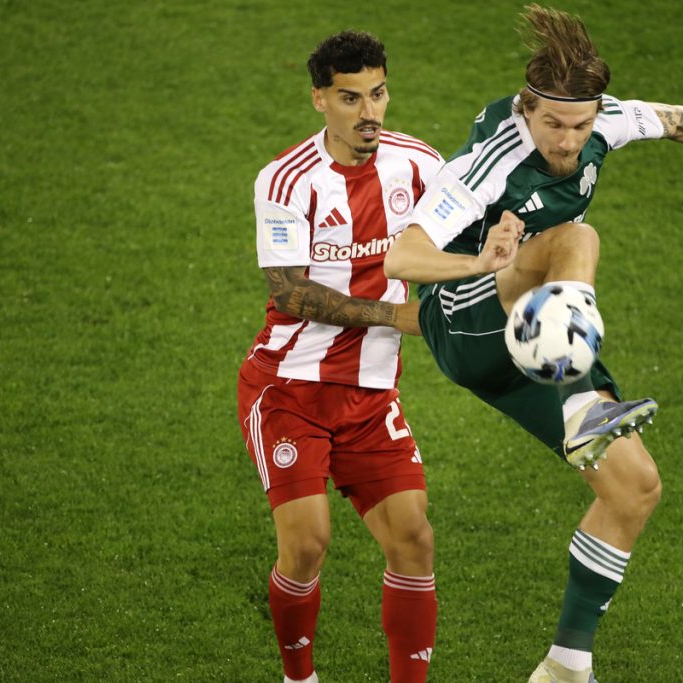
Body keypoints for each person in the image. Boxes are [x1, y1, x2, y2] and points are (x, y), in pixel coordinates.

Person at [383, 5, 683, 682]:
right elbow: (402, 257)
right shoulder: (489, 162)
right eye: (553, 124)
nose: (568, 141)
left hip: (531, 335)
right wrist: (481, 261)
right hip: (465, 321)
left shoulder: (603, 122)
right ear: (526, 108)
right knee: (577, 238)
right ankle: (580, 406)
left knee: (633, 487)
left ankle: (566, 665)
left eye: (581, 125)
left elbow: (680, 121)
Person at [238, 30, 444, 683]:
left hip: (371, 394)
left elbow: (460, 238)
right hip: (288, 388)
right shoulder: (285, 180)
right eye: (351, 98)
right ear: (319, 99)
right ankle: (299, 679)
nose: (369, 112)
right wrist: (395, 316)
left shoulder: (420, 165)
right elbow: (290, 293)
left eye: (378, 94)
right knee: (306, 543)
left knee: (413, 537)